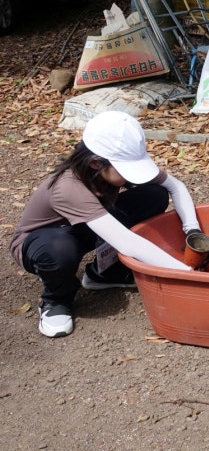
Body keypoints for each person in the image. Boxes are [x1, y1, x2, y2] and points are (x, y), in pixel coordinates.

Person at [10, 111, 197, 338]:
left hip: (90, 225)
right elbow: (128, 243)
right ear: (96, 162)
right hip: (43, 241)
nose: (132, 175)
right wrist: (189, 275)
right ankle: (56, 299)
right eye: (126, 169)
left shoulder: (108, 169)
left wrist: (193, 231)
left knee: (153, 195)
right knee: (60, 249)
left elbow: (175, 186)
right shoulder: (68, 187)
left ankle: (105, 274)